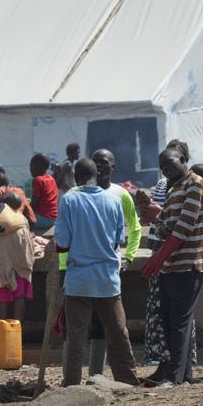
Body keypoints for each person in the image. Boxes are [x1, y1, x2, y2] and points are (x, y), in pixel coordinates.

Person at [56, 158, 139, 387]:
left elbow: (62, 242)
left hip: (78, 281)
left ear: (76, 177)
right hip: (107, 280)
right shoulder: (114, 200)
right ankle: (127, 379)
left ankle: (71, 384)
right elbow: (118, 239)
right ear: (96, 175)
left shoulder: (69, 199)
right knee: (118, 333)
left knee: (76, 337)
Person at [141, 145, 203, 386]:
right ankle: (184, 374)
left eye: (170, 163)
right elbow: (167, 228)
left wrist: (158, 258)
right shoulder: (174, 188)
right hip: (172, 264)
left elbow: (183, 228)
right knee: (172, 321)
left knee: (178, 322)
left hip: (189, 264)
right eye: (162, 167)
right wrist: (155, 217)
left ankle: (173, 376)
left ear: (183, 159)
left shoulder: (195, 184)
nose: (166, 169)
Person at [0, 192, 35, 321]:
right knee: (19, 292)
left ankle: (2, 326)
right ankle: (17, 326)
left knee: (0, 289)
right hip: (18, 252)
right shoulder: (20, 217)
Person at [29, 152, 59, 231]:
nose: (30, 170)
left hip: (42, 219)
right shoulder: (51, 178)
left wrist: (25, 214)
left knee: (22, 221)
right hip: (54, 218)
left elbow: (34, 204)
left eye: (31, 167)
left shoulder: (37, 180)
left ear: (38, 167)